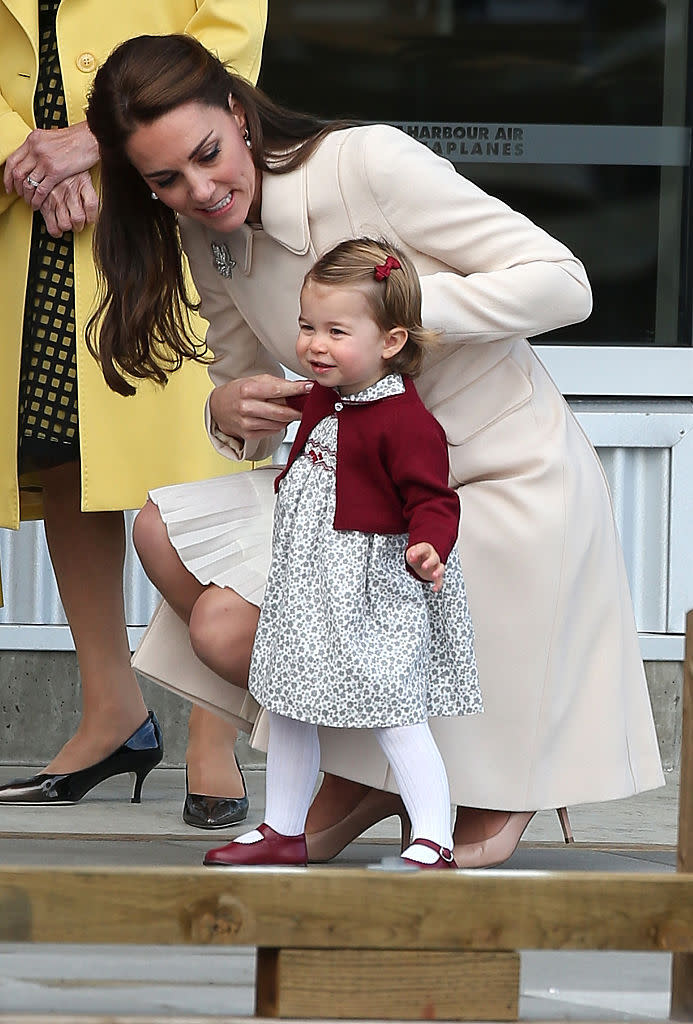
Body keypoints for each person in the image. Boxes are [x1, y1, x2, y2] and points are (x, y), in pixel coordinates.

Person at [84, 33, 664, 867]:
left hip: (491, 485)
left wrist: (393, 313)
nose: (200, 190)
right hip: (355, 495)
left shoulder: (363, 164)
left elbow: (562, 282)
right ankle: (369, 762)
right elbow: (247, 396)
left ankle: (419, 767)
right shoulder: (207, 234)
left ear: (239, 115)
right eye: (165, 180)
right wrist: (225, 407)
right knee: (161, 537)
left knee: (227, 616)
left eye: (208, 156)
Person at [0, 3, 267, 827]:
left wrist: (105, 136)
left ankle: (213, 738)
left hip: (162, 182)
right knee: (62, 447)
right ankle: (113, 712)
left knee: (203, 447)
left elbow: (229, 27)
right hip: (30, 201)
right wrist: (26, 156)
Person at [202, 238, 482, 869]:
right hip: (308, 583)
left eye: (335, 331)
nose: (315, 345)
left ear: (390, 342)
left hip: (371, 589)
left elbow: (435, 498)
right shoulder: (322, 397)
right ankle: (283, 828)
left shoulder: (405, 421)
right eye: (306, 327)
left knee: (395, 709)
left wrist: (430, 546)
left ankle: (434, 836)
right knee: (292, 700)